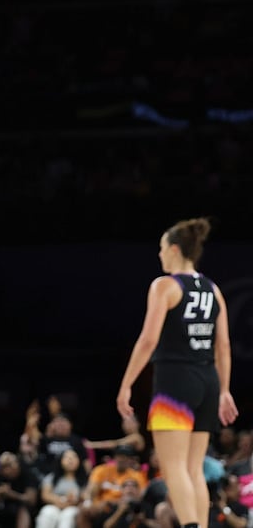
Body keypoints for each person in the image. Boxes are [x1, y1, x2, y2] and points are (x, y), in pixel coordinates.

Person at [116, 217, 240, 528]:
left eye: (160, 249)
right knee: (193, 468)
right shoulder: (213, 289)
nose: (159, 255)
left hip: (175, 383)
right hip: (208, 382)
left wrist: (126, 384)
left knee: (173, 469)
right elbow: (223, 346)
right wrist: (224, 389)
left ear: (173, 249)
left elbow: (148, 340)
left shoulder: (164, 286)